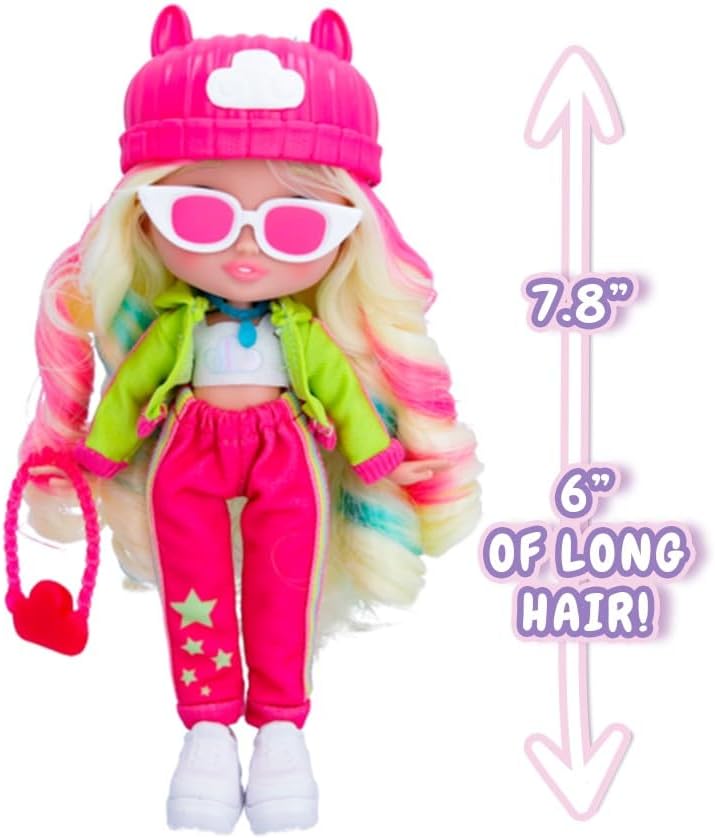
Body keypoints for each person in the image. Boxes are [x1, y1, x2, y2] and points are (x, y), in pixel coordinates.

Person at [18, 5, 480, 833]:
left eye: (296, 225)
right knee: (193, 582)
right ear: (142, 219)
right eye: (196, 216)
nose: (245, 249)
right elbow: (130, 393)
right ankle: (204, 727)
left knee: (284, 582)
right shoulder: (174, 328)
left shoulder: (305, 334)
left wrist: (379, 460)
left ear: (349, 235)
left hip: (285, 454)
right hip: (187, 454)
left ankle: (279, 729)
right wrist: (93, 456)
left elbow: (341, 395)